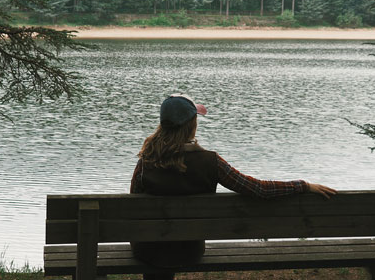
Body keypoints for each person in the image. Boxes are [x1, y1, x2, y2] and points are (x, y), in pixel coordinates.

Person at [130, 94, 336, 279]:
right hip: (189, 251)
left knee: (156, 247)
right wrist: (303, 186)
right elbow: (257, 189)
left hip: (148, 251)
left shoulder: (146, 162)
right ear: (192, 125)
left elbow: (133, 203)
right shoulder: (211, 162)